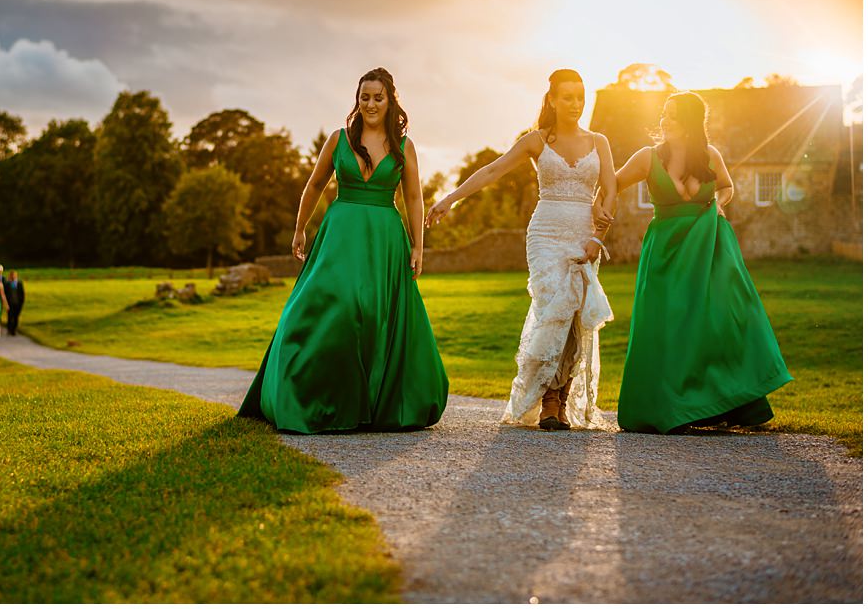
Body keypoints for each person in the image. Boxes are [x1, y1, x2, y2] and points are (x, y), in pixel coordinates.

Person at [237, 67, 448, 433]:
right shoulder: (338, 140)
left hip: (384, 238)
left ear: (390, 100)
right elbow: (315, 184)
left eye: (377, 98)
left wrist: (418, 246)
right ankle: (308, 394)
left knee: (375, 314)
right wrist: (300, 229)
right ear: (357, 100)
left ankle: (375, 406)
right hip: (339, 237)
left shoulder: (404, 145)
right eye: (364, 97)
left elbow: (414, 197)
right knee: (331, 308)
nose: (370, 104)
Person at [427, 69, 617, 430]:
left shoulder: (600, 142)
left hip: (583, 235)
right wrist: (451, 198)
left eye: (580, 96)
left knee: (576, 317)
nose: (575, 103)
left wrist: (598, 237)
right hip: (544, 235)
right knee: (552, 309)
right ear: (552, 100)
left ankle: (562, 400)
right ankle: (547, 399)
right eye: (567, 97)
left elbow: (610, 192)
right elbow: (493, 170)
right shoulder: (536, 140)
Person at [598, 91, 793, 433]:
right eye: (664, 113)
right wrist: (596, 211)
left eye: (672, 115)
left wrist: (718, 203)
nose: (664, 120)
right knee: (666, 325)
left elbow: (727, 188)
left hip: (707, 250)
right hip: (665, 253)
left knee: (718, 322)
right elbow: (611, 183)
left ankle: (724, 403)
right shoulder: (647, 157)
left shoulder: (710, 155)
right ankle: (664, 407)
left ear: (689, 124)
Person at [3, 270, 25, 336]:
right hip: (9, 303)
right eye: (11, 275)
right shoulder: (7, 284)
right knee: (10, 316)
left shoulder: (19, 283)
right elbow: (5, 294)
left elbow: (22, 294)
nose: (13, 276)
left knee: (16, 317)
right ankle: (9, 329)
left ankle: (14, 330)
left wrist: (21, 302)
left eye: (14, 275)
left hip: (17, 303)